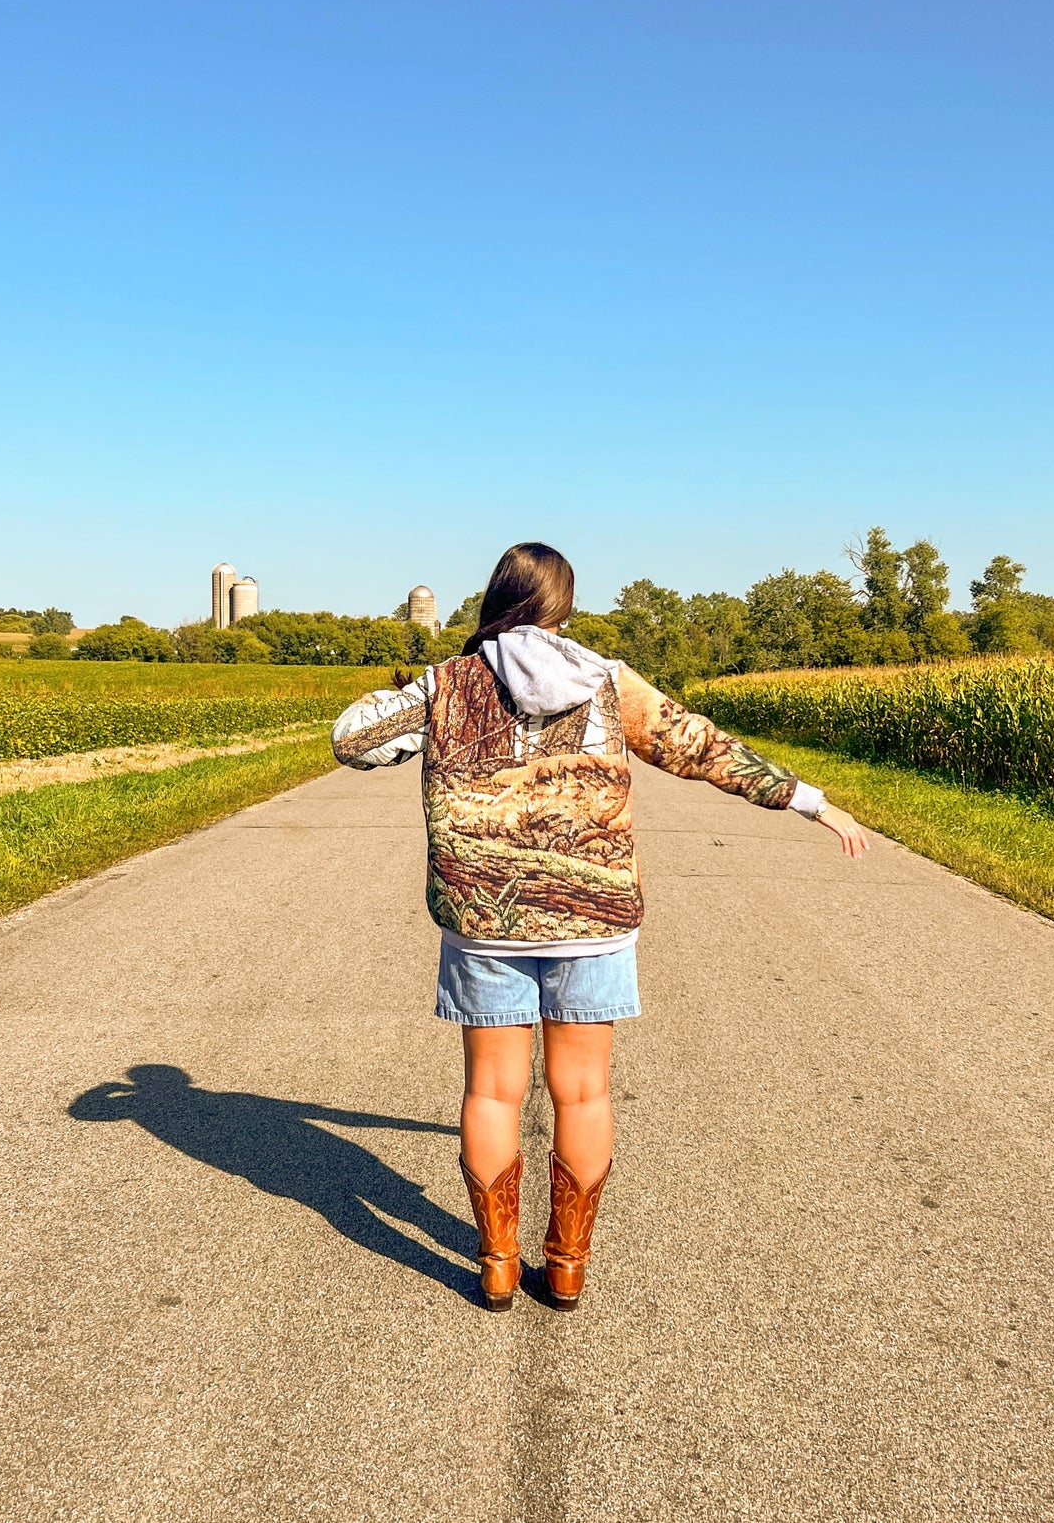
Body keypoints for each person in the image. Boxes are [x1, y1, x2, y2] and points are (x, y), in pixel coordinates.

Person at [331, 542, 869, 1312]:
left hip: (485, 920)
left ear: (497, 599)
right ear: (562, 607)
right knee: (582, 1094)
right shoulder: (607, 680)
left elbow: (351, 737)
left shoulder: (450, 682)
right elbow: (701, 748)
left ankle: (495, 1265)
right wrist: (809, 799)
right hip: (595, 918)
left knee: (491, 1091)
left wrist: (425, 699)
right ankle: (568, 1265)